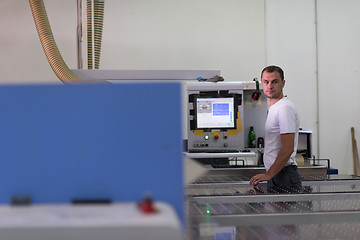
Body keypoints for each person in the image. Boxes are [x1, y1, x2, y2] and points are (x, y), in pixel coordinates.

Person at [249, 65, 302, 190]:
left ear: (283, 83)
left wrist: (269, 174)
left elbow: (288, 148)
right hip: (277, 174)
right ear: (261, 83)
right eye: (266, 82)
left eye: (274, 82)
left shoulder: (284, 108)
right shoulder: (274, 108)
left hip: (284, 175)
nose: (270, 86)